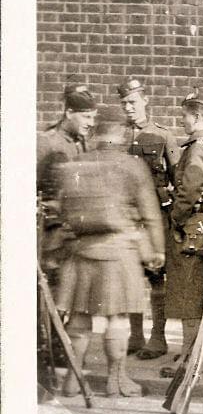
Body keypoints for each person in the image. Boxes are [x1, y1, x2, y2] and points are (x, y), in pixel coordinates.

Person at [54, 105, 165, 397]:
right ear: (119, 131)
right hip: (118, 251)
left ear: (98, 131)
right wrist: (156, 250)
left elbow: (63, 209)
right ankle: (117, 380)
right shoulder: (131, 166)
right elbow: (150, 211)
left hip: (80, 252)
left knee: (78, 319)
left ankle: (72, 380)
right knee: (117, 319)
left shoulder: (75, 164)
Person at [117, 78, 182, 361]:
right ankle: (135, 334)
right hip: (126, 218)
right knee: (130, 276)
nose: (128, 107)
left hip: (155, 216)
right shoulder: (116, 136)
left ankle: (158, 337)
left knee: (157, 277)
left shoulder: (162, 136)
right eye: (124, 103)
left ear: (145, 101)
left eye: (133, 102)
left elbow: (178, 178)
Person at [37, 86, 97, 387]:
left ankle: (57, 347)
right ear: (69, 112)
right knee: (45, 296)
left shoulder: (81, 144)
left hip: (73, 233)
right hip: (49, 234)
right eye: (85, 116)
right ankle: (42, 353)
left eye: (93, 116)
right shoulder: (46, 143)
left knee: (66, 296)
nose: (90, 122)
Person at [160, 91, 203, 377]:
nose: (181, 120)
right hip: (201, 228)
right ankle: (200, 352)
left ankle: (188, 359)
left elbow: (192, 188)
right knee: (197, 294)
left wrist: (175, 215)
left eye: (185, 115)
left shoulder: (197, 148)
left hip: (191, 232)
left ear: (196, 117)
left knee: (189, 296)